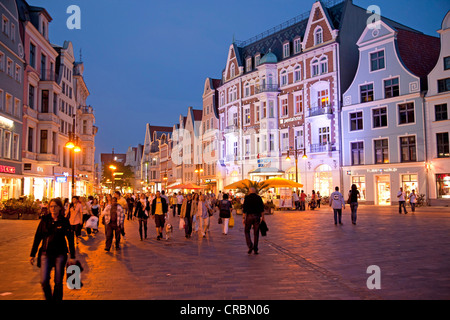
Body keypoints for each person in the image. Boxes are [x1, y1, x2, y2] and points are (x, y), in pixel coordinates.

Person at [30, 198, 76, 300]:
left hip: (60, 254)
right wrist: (32, 254)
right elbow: (38, 237)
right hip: (46, 253)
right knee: (44, 281)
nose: (53, 208)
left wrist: (72, 255)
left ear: (60, 208)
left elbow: (70, 239)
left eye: (55, 206)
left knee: (58, 281)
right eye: (51, 206)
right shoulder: (45, 220)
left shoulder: (64, 221)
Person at [242, 187, 265, 254]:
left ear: (249, 191)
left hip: (249, 216)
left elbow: (244, 209)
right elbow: (262, 209)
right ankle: (255, 248)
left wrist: (243, 218)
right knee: (256, 232)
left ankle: (250, 245)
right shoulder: (258, 198)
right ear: (255, 191)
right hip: (257, 216)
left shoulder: (247, 198)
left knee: (247, 231)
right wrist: (263, 217)